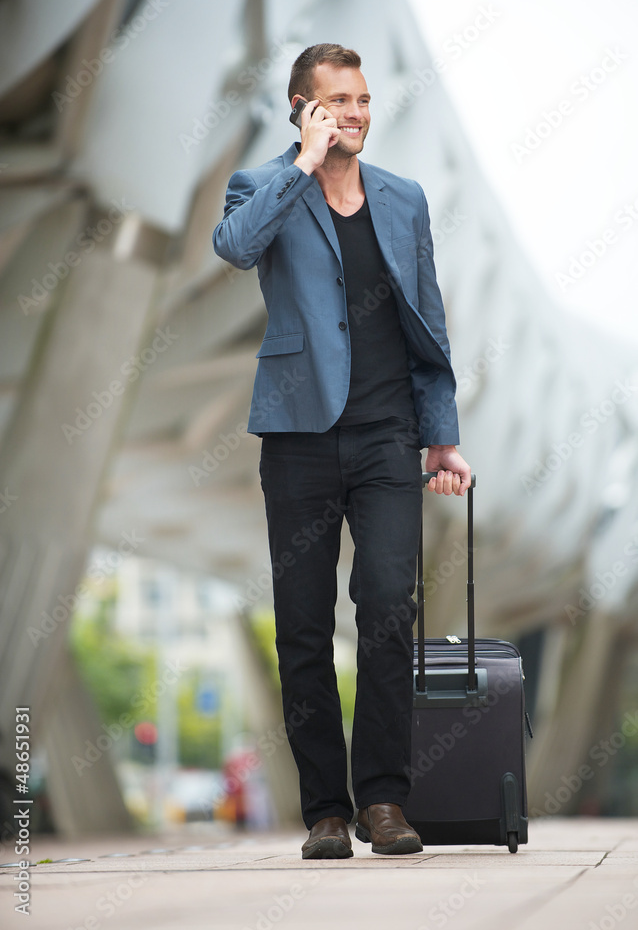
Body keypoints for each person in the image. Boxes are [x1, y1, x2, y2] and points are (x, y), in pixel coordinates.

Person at [213, 43, 471, 859]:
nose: (356, 113)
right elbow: (234, 247)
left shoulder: (403, 197)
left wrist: (442, 436)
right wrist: (303, 162)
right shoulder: (264, 184)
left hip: (387, 437)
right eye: (338, 101)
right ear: (303, 108)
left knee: (390, 608)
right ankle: (326, 810)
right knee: (302, 626)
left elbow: (426, 319)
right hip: (298, 435)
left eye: (362, 99)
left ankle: (384, 801)